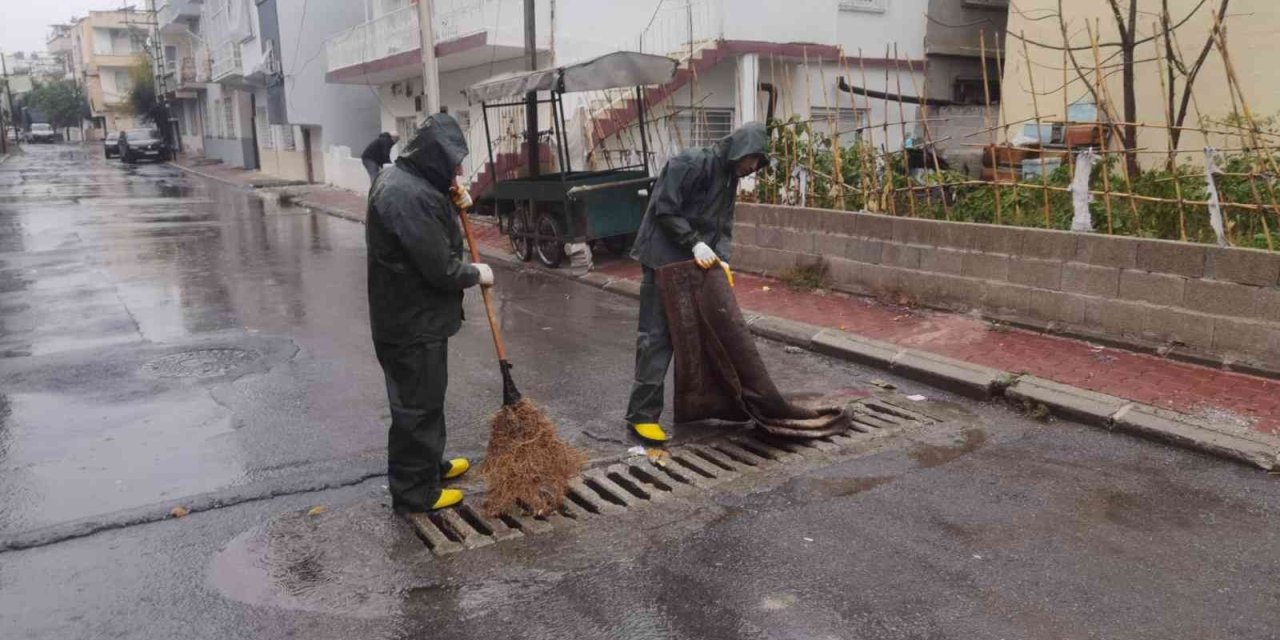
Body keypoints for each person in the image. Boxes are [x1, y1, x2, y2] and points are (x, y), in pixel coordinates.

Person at [366, 113, 493, 513]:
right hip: (411, 322)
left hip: (413, 317)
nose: (458, 170)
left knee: (427, 397)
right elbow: (440, 268)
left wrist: (451, 203)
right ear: (434, 157)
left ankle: (428, 467)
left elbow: (429, 231)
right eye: (453, 163)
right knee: (416, 407)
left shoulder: (409, 180)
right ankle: (414, 491)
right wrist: (476, 273)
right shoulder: (409, 196)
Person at [625, 122, 770, 443]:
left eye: (758, 163)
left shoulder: (729, 176)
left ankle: (704, 404)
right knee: (657, 334)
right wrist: (694, 242)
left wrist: (722, 258)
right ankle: (640, 415)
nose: (753, 168)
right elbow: (664, 208)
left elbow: (723, 221)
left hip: (692, 261)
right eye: (753, 160)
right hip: (662, 257)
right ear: (741, 149)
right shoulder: (690, 163)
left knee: (699, 334)